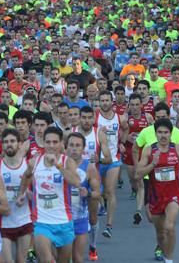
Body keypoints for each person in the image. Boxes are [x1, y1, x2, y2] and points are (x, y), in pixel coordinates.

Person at [17, 127, 80, 263]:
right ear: (43, 143)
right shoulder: (35, 162)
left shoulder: (67, 162)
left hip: (64, 221)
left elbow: (75, 182)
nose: (51, 146)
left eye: (55, 142)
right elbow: (26, 176)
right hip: (42, 222)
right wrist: (21, 193)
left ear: (61, 143)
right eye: (48, 142)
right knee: (45, 260)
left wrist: (57, 165)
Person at [135, 119, 179, 263]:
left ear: (171, 133)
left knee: (169, 227)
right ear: (155, 134)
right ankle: (164, 252)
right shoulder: (149, 150)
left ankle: (169, 260)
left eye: (166, 132)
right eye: (160, 132)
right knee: (161, 234)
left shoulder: (178, 148)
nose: (163, 135)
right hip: (156, 196)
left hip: (173, 195)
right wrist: (153, 163)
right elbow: (138, 174)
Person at [0, 128, 34, 263]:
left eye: (12, 141)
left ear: (19, 144)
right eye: (6, 141)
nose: (9, 144)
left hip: (25, 220)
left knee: (21, 260)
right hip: (3, 223)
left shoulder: (29, 165)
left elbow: (37, 193)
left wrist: (27, 194)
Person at [95, 91, 128, 238]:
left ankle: (109, 225)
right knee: (98, 192)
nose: (104, 103)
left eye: (107, 100)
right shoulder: (95, 117)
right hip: (97, 160)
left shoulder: (119, 118)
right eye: (102, 100)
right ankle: (101, 205)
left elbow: (126, 128)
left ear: (112, 101)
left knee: (110, 191)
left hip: (113, 159)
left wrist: (122, 142)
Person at [66, 133, 101, 263]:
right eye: (71, 145)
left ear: (83, 148)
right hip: (62, 217)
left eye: (77, 146)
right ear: (66, 146)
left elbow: (97, 193)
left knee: (77, 258)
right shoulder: (59, 166)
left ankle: (93, 246)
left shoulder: (89, 168)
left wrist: (88, 193)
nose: (74, 148)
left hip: (80, 216)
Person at [123, 94, 153, 224]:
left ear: (141, 105)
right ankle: (135, 190)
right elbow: (121, 138)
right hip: (130, 152)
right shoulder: (125, 119)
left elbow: (155, 132)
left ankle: (139, 210)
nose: (135, 107)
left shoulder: (148, 117)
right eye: (132, 105)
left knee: (141, 182)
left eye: (137, 105)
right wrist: (126, 138)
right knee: (134, 180)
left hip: (144, 153)